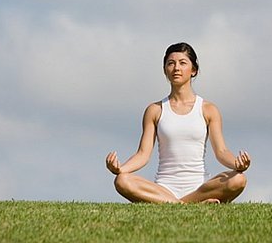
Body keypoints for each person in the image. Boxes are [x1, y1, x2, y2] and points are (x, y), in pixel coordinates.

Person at [105, 42, 251, 203]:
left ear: (193, 70)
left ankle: (176, 203)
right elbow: (143, 154)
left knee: (238, 179)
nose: (176, 68)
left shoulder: (208, 109)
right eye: (171, 63)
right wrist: (120, 169)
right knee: (122, 180)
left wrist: (237, 164)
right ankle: (187, 204)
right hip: (164, 188)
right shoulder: (155, 110)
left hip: (201, 187)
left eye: (182, 63)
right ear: (165, 70)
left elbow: (221, 151)